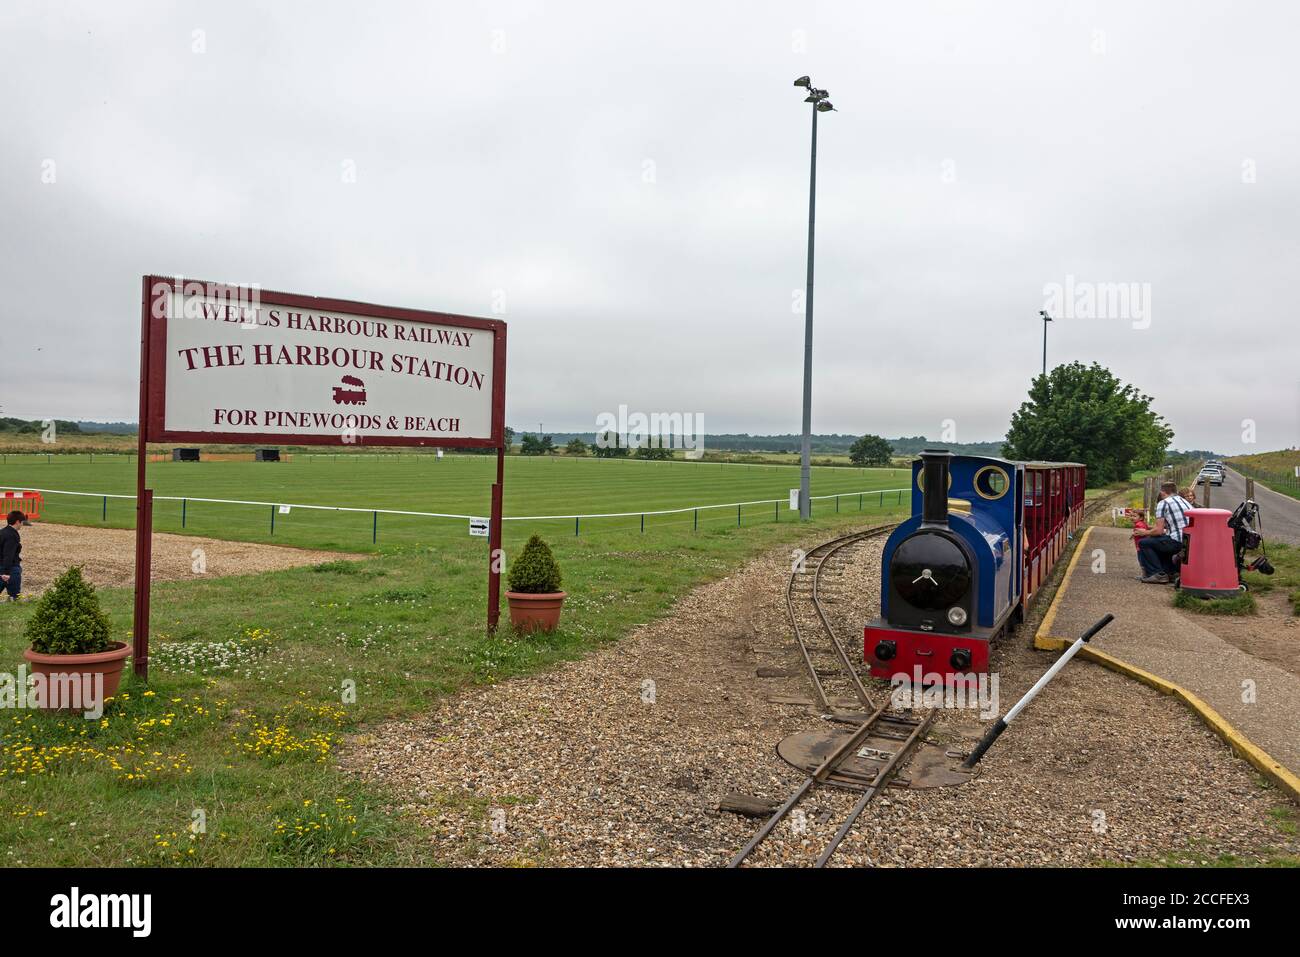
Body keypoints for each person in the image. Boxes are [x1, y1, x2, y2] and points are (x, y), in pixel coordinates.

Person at [1134, 483, 1192, 583]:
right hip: (1189, 541)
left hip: (1178, 541)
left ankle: (1156, 574)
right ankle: (1170, 572)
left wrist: (1144, 532)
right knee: (1161, 542)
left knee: (1144, 543)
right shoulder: (1184, 501)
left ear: (1162, 492)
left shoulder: (1163, 503)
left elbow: (1158, 530)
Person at [0, 510, 23, 601]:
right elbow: (8, 554)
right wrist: (6, 573)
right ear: (17, 521)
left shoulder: (2, 532)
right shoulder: (12, 535)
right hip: (10, 569)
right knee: (15, 597)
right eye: (22, 522)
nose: (22, 524)